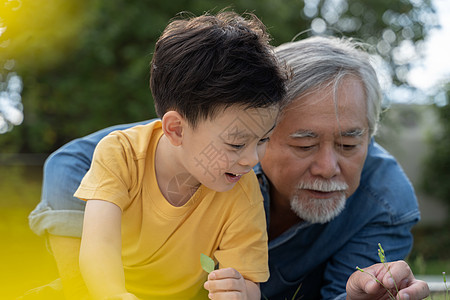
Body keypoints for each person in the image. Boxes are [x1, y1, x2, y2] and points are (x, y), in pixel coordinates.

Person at [28, 35, 430, 300]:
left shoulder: (385, 204)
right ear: (261, 122)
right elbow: (72, 161)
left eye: (349, 143)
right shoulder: (211, 152)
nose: (328, 166)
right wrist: (90, 284)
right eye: (303, 143)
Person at [30, 11, 288, 300]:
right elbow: (97, 248)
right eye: (236, 144)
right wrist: (115, 294)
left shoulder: (242, 190)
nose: (252, 159)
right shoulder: (121, 153)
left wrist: (242, 292)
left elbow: (250, 284)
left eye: (263, 139)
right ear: (176, 130)